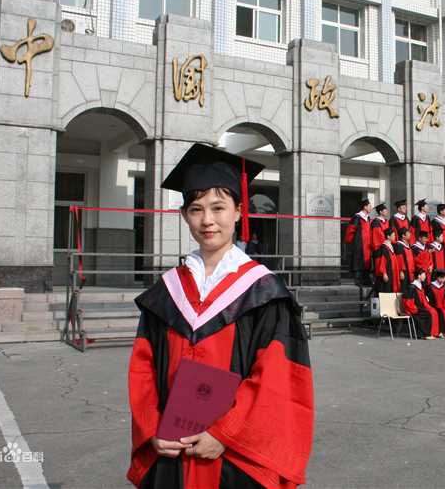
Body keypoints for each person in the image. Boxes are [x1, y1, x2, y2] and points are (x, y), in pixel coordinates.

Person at [127, 144, 313, 489]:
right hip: (172, 452)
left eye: (218, 207)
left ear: (239, 211)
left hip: (234, 457)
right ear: (184, 215)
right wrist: (151, 429)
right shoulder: (167, 292)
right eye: (196, 209)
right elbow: (143, 370)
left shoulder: (262, 291)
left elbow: (275, 377)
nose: (207, 220)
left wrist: (225, 433)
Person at [401, 270, 442, 339]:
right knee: (427, 314)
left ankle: (434, 333)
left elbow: (423, 300)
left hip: (419, 307)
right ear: (419, 276)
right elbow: (407, 302)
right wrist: (415, 309)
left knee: (434, 311)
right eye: (424, 275)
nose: (425, 276)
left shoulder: (420, 286)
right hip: (413, 308)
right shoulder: (412, 287)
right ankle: (424, 335)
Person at [344, 199, 372, 286]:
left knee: (366, 263)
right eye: (370, 206)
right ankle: (358, 280)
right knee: (358, 262)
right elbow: (350, 231)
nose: (371, 208)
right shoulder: (357, 217)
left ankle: (366, 280)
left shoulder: (367, 218)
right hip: (359, 244)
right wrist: (352, 244)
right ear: (365, 207)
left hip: (367, 245)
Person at [374, 227, 402, 295]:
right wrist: (384, 273)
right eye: (393, 235)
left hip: (392, 273)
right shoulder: (383, 248)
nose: (395, 237)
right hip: (387, 274)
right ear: (388, 236)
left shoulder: (391, 247)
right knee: (386, 291)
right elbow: (382, 262)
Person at [394, 227, 415, 293]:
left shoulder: (408, 246)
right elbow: (399, 260)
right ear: (403, 236)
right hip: (404, 272)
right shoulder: (398, 246)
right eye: (408, 233)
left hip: (410, 272)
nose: (410, 234)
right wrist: (401, 271)